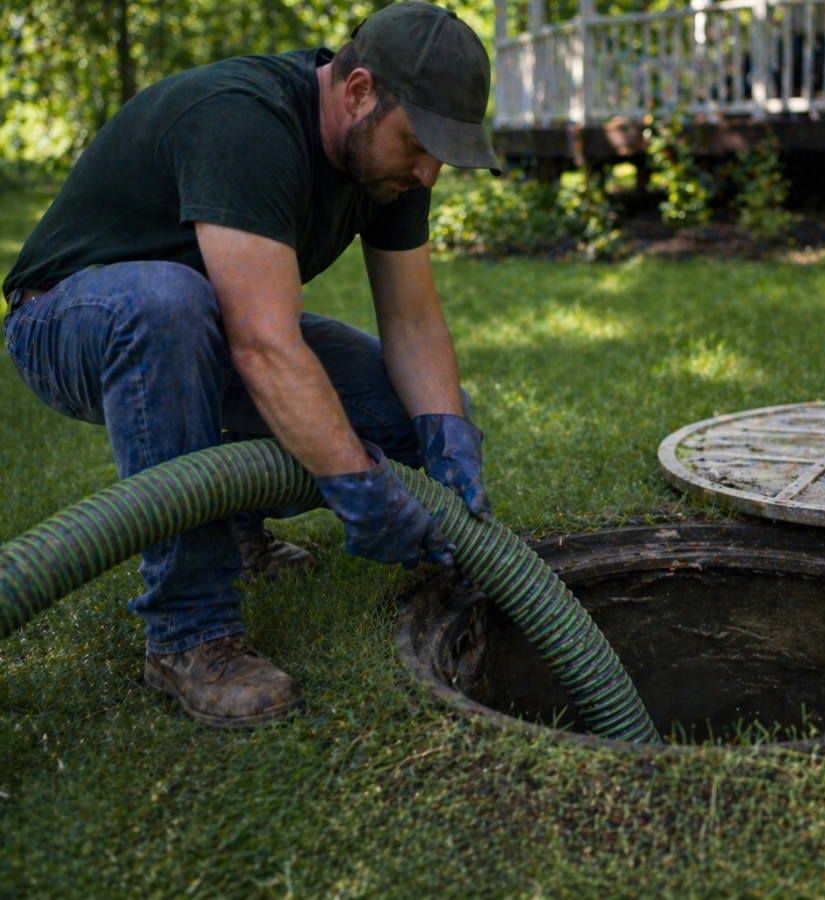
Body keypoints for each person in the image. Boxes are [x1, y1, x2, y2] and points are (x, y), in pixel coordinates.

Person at [2, 1, 499, 728]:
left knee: (401, 414)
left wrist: (446, 434)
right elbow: (264, 344)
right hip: (71, 319)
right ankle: (189, 634)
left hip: (209, 322)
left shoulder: (388, 167)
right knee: (169, 303)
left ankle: (234, 520)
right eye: (419, 144)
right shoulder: (246, 120)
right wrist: (356, 486)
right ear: (359, 91)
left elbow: (414, 320)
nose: (428, 172)